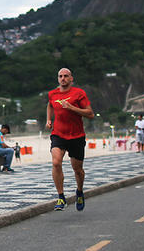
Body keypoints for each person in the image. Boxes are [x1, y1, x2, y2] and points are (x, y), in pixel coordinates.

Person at [46, 68, 95, 211]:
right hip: (58, 134)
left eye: (66, 76)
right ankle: (61, 197)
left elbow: (90, 114)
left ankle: (79, 191)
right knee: (56, 162)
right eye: (60, 76)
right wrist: (49, 119)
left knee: (78, 170)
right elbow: (50, 105)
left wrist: (72, 107)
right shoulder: (52, 94)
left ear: (71, 78)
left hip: (76, 136)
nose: (63, 78)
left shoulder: (79, 93)